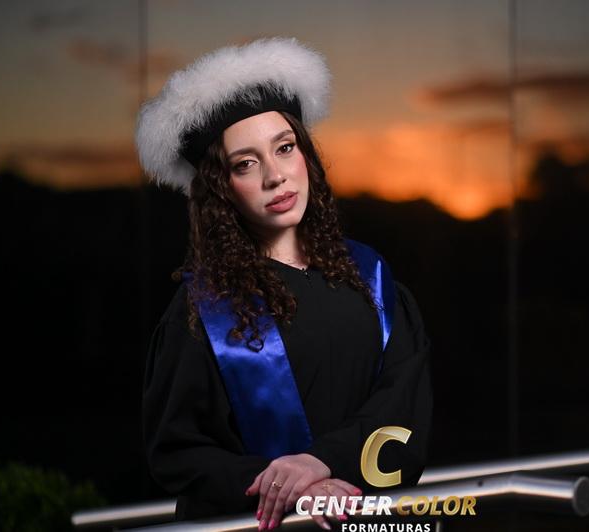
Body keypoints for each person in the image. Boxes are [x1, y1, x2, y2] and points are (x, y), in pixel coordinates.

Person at [135, 37, 433, 530]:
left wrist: (323, 463)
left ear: (306, 156)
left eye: (285, 148)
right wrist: (292, 487)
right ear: (221, 188)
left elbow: (403, 403)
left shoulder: (370, 277)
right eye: (245, 163)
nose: (275, 176)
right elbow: (179, 451)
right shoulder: (204, 307)